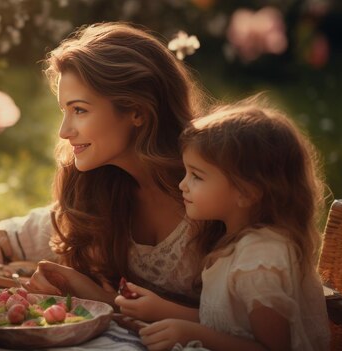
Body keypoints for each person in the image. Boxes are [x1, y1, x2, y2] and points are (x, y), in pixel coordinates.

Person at [0, 22, 208, 306]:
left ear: (136, 111)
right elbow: (43, 226)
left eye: (80, 110)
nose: (64, 131)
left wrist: (98, 295)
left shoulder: (211, 185)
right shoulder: (105, 185)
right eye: (65, 110)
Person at [116, 97, 330, 350]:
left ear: (248, 192)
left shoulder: (259, 259)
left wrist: (188, 334)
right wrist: (160, 310)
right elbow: (230, 326)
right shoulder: (237, 244)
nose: (182, 184)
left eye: (196, 175)